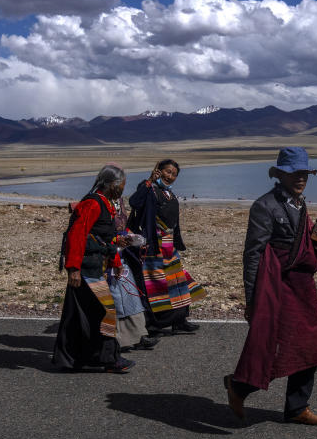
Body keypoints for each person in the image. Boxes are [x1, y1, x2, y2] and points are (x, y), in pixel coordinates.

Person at [224, 147, 317, 426]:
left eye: (304, 173)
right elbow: (253, 254)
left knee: (311, 346)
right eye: (293, 173)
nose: (300, 179)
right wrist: (252, 299)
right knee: (276, 346)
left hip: (302, 286)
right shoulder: (265, 206)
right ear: (281, 175)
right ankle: (239, 386)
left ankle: (297, 407)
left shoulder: (300, 204)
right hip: (277, 287)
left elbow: (304, 245)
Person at [52, 164, 134, 373]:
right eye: (122, 185)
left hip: (94, 266)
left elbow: (104, 237)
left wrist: (115, 260)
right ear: (112, 184)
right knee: (105, 311)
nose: (123, 189)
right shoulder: (93, 204)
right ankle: (106, 359)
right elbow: (77, 235)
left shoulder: (104, 204)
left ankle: (78, 359)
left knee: (85, 315)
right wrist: (73, 269)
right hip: (85, 269)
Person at [128, 159, 206, 335]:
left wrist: (177, 242)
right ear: (158, 170)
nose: (170, 176)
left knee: (177, 281)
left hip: (169, 245)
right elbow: (135, 202)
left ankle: (179, 320)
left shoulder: (168, 193)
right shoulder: (148, 188)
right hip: (154, 246)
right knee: (157, 284)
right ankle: (154, 324)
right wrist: (149, 180)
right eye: (167, 172)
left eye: (174, 174)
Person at [105, 182, 158, 353]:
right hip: (109, 256)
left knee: (131, 296)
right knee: (116, 299)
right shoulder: (100, 202)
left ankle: (139, 335)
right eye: (117, 183)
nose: (120, 187)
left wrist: (131, 237)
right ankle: (118, 341)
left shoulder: (118, 201)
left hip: (122, 254)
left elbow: (122, 225)